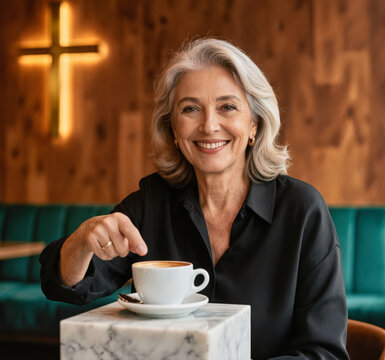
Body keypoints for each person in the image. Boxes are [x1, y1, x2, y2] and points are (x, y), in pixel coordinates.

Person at [40, 38, 349, 360]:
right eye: (190, 109)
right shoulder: (151, 203)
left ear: (254, 124)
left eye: (227, 107)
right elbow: (65, 287)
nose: (209, 125)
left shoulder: (302, 209)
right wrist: (81, 241)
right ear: (173, 128)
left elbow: (324, 352)